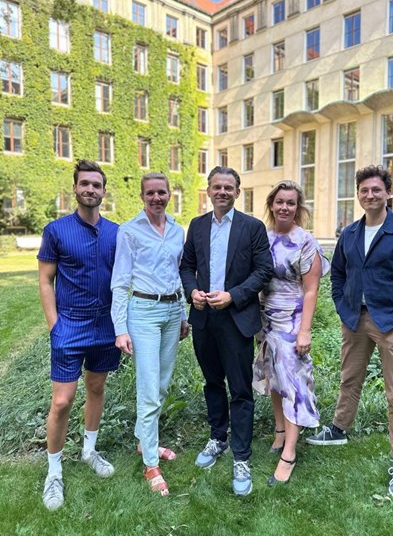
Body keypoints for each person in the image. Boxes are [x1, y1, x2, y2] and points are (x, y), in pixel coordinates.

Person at [306, 165, 393, 501]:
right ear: (358, 194)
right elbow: (338, 274)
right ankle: (339, 429)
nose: (370, 195)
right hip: (355, 320)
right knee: (349, 379)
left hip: (392, 324)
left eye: (376, 190)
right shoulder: (350, 233)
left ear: (388, 193)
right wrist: (343, 306)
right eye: (364, 190)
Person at [179, 166, 273, 496]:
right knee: (212, 383)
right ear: (208, 190)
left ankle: (241, 456)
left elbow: (264, 270)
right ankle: (218, 438)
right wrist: (192, 291)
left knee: (241, 389)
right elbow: (186, 266)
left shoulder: (252, 227)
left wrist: (233, 295)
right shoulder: (197, 225)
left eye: (228, 187)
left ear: (237, 192)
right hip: (204, 318)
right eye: (216, 186)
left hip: (236, 318)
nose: (222, 192)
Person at [38, 159, 121, 511]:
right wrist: (54, 324)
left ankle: (89, 450)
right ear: (75, 188)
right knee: (61, 401)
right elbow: (45, 280)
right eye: (84, 183)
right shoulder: (56, 230)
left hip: (105, 326)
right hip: (69, 326)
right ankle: (54, 471)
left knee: (97, 387)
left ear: (104, 191)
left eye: (96, 185)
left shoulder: (117, 232)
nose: (90, 189)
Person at [111, 172, 189, 496]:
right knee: (148, 388)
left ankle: (145, 442)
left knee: (161, 384)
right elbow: (120, 281)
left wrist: (183, 314)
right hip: (143, 312)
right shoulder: (129, 231)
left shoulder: (177, 230)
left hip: (171, 312)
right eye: (150, 193)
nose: (156, 198)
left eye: (162, 192)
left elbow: (178, 274)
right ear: (142, 196)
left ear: (169, 194)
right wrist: (120, 328)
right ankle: (150, 464)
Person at [253, 180, 330, 486]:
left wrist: (304, 332)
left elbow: (311, 290)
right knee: (273, 378)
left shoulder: (305, 242)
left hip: (292, 321)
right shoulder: (263, 236)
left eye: (291, 203)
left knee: (293, 384)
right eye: (280, 202)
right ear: (271, 205)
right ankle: (280, 431)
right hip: (266, 319)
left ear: (298, 208)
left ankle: (289, 453)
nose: (284, 207)